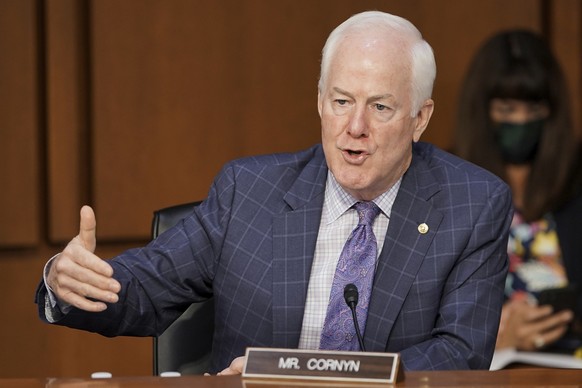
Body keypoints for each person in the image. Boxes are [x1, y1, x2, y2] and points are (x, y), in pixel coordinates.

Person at [36, 11, 513, 373]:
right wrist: (68, 282)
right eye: (341, 101)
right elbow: (146, 286)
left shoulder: (471, 203)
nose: (355, 127)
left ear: (421, 118)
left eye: (381, 107)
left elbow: (460, 353)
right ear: (320, 101)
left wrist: (308, 376)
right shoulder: (249, 192)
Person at [453, 29, 582, 353]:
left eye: (535, 110)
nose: (522, 121)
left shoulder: (576, 173)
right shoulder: (446, 182)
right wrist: (501, 343)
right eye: (507, 110)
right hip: (490, 368)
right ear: (483, 112)